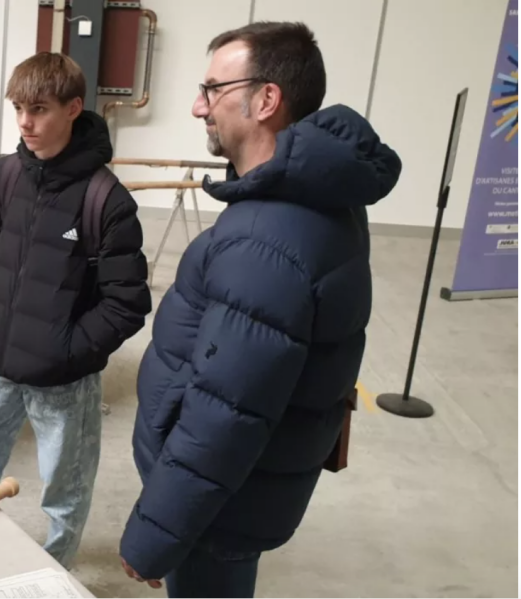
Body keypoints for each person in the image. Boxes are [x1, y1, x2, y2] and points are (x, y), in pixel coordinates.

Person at [117, 22, 402, 597]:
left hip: (218, 509)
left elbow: (225, 415)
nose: (199, 106)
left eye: (213, 89)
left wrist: (155, 535)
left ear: (266, 99)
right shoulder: (314, 198)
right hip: (245, 492)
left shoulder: (265, 238)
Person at [0, 52, 152, 568]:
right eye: (18, 108)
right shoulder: (5, 177)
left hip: (63, 382)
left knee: (65, 487)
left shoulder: (106, 200)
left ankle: (53, 569)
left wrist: (65, 352)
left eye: (38, 109)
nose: (24, 122)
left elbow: (126, 304)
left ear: (73, 108)